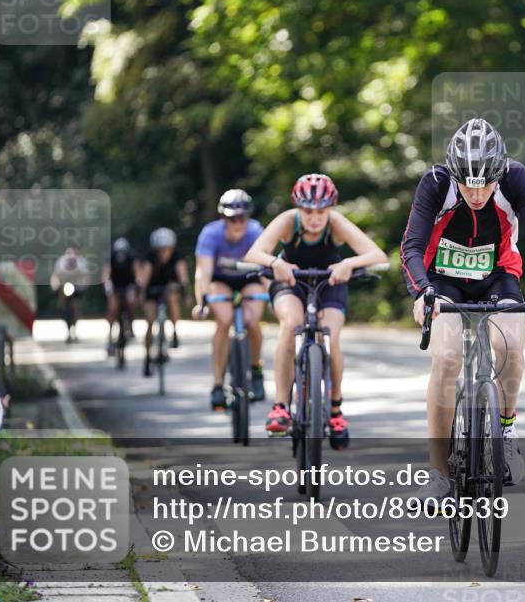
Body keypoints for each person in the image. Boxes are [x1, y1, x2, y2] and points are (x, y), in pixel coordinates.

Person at [400, 118, 525, 503]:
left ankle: (505, 431)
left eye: (485, 183)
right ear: (455, 175)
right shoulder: (436, 183)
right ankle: (438, 472)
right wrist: (423, 292)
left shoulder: (515, 178)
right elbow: (412, 246)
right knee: (449, 357)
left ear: (499, 174)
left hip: (498, 275)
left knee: (510, 347)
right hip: (444, 281)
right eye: (468, 184)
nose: (476, 193)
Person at [244, 174, 388, 447]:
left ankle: (335, 410)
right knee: (291, 324)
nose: (314, 218)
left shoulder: (335, 223)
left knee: (330, 337)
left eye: (321, 212)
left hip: (329, 281)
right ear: (299, 209)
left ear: (330, 209)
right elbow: (254, 253)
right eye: (308, 211)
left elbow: (377, 255)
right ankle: (280, 406)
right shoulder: (288, 221)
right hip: (291, 282)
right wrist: (276, 262)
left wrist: (349, 263)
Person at [192, 189, 268, 410]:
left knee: (252, 320)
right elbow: (203, 272)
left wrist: (276, 296)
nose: (238, 223)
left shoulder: (256, 232)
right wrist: (202, 302)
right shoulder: (210, 234)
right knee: (224, 321)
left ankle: (256, 369)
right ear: (222, 218)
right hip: (221, 279)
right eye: (232, 218)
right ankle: (217, 383)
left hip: (249, 278)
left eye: (242, 218)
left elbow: (266, 269)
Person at [137, 227, 190, 377]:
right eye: (160, 250)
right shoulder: (149, 258)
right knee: (150, 321)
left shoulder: (177, 258)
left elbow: (183, 276)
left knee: (172, 298)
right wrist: (141, 293)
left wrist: (185, 293)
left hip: (169, 287)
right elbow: (144, 278)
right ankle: (147, 356)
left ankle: (174, 331)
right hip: (152, 289)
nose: (164, 253)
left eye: (167, 249)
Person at [102, 237, 139, 355]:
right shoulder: (111, 257)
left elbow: (136, 271)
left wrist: (136, 285)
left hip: (128, 285)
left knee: (131, 302)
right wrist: (108, 286)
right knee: (112, 309)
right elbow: (106, 274)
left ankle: (131, 326)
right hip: (115, 286)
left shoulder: (131, 256)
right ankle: (109, 337)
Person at [50, 246, 93, 343]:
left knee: (76, 307)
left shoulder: (81, 263)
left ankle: (75, 327)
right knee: (62, 306)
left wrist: (85, 286)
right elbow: (55, 275)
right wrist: (54, 286)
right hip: (64, 285)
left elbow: (86, 277)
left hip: (77, 286)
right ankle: (64, 319)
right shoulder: (61, 263)